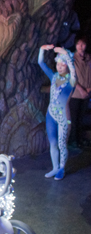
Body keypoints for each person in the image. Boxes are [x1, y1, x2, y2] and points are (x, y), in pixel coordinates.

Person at [39, 44, 77, 180]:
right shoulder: (54, 77)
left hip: (63, 117)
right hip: (51, 115)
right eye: (58, 64)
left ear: (67, 65)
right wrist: (42, 49)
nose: (60, 67)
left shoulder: (72, 80)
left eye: (63, 64)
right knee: (53, 143)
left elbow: (73, 70)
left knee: (62, 144)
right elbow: (40, 62)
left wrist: (65, 53)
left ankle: (62, 168)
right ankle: (55, 167)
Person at [69, 36, 91, 147]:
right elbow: (70, 76)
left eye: (83, 44)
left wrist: (88, 89)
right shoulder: (72, 58)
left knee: (81, 118)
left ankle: (80, 139)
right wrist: (81, 89)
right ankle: (73, 140)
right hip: (76, 93)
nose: (81, 47)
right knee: (74, 118)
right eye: (79, 44)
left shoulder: (88, 58)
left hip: (87, 93)